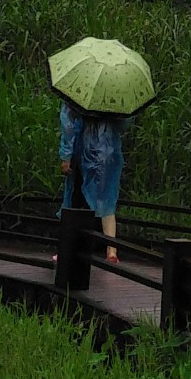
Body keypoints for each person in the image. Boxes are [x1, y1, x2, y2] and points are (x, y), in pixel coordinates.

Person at [59, 102, 129, 264]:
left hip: (84, 151)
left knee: (76, 200)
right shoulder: (116, 95)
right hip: (109, 151)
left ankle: (68, 249)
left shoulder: (80, 94)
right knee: (107, 202)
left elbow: (68, 122)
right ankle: (111, 250)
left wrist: (66, 155)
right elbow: (124, 124)